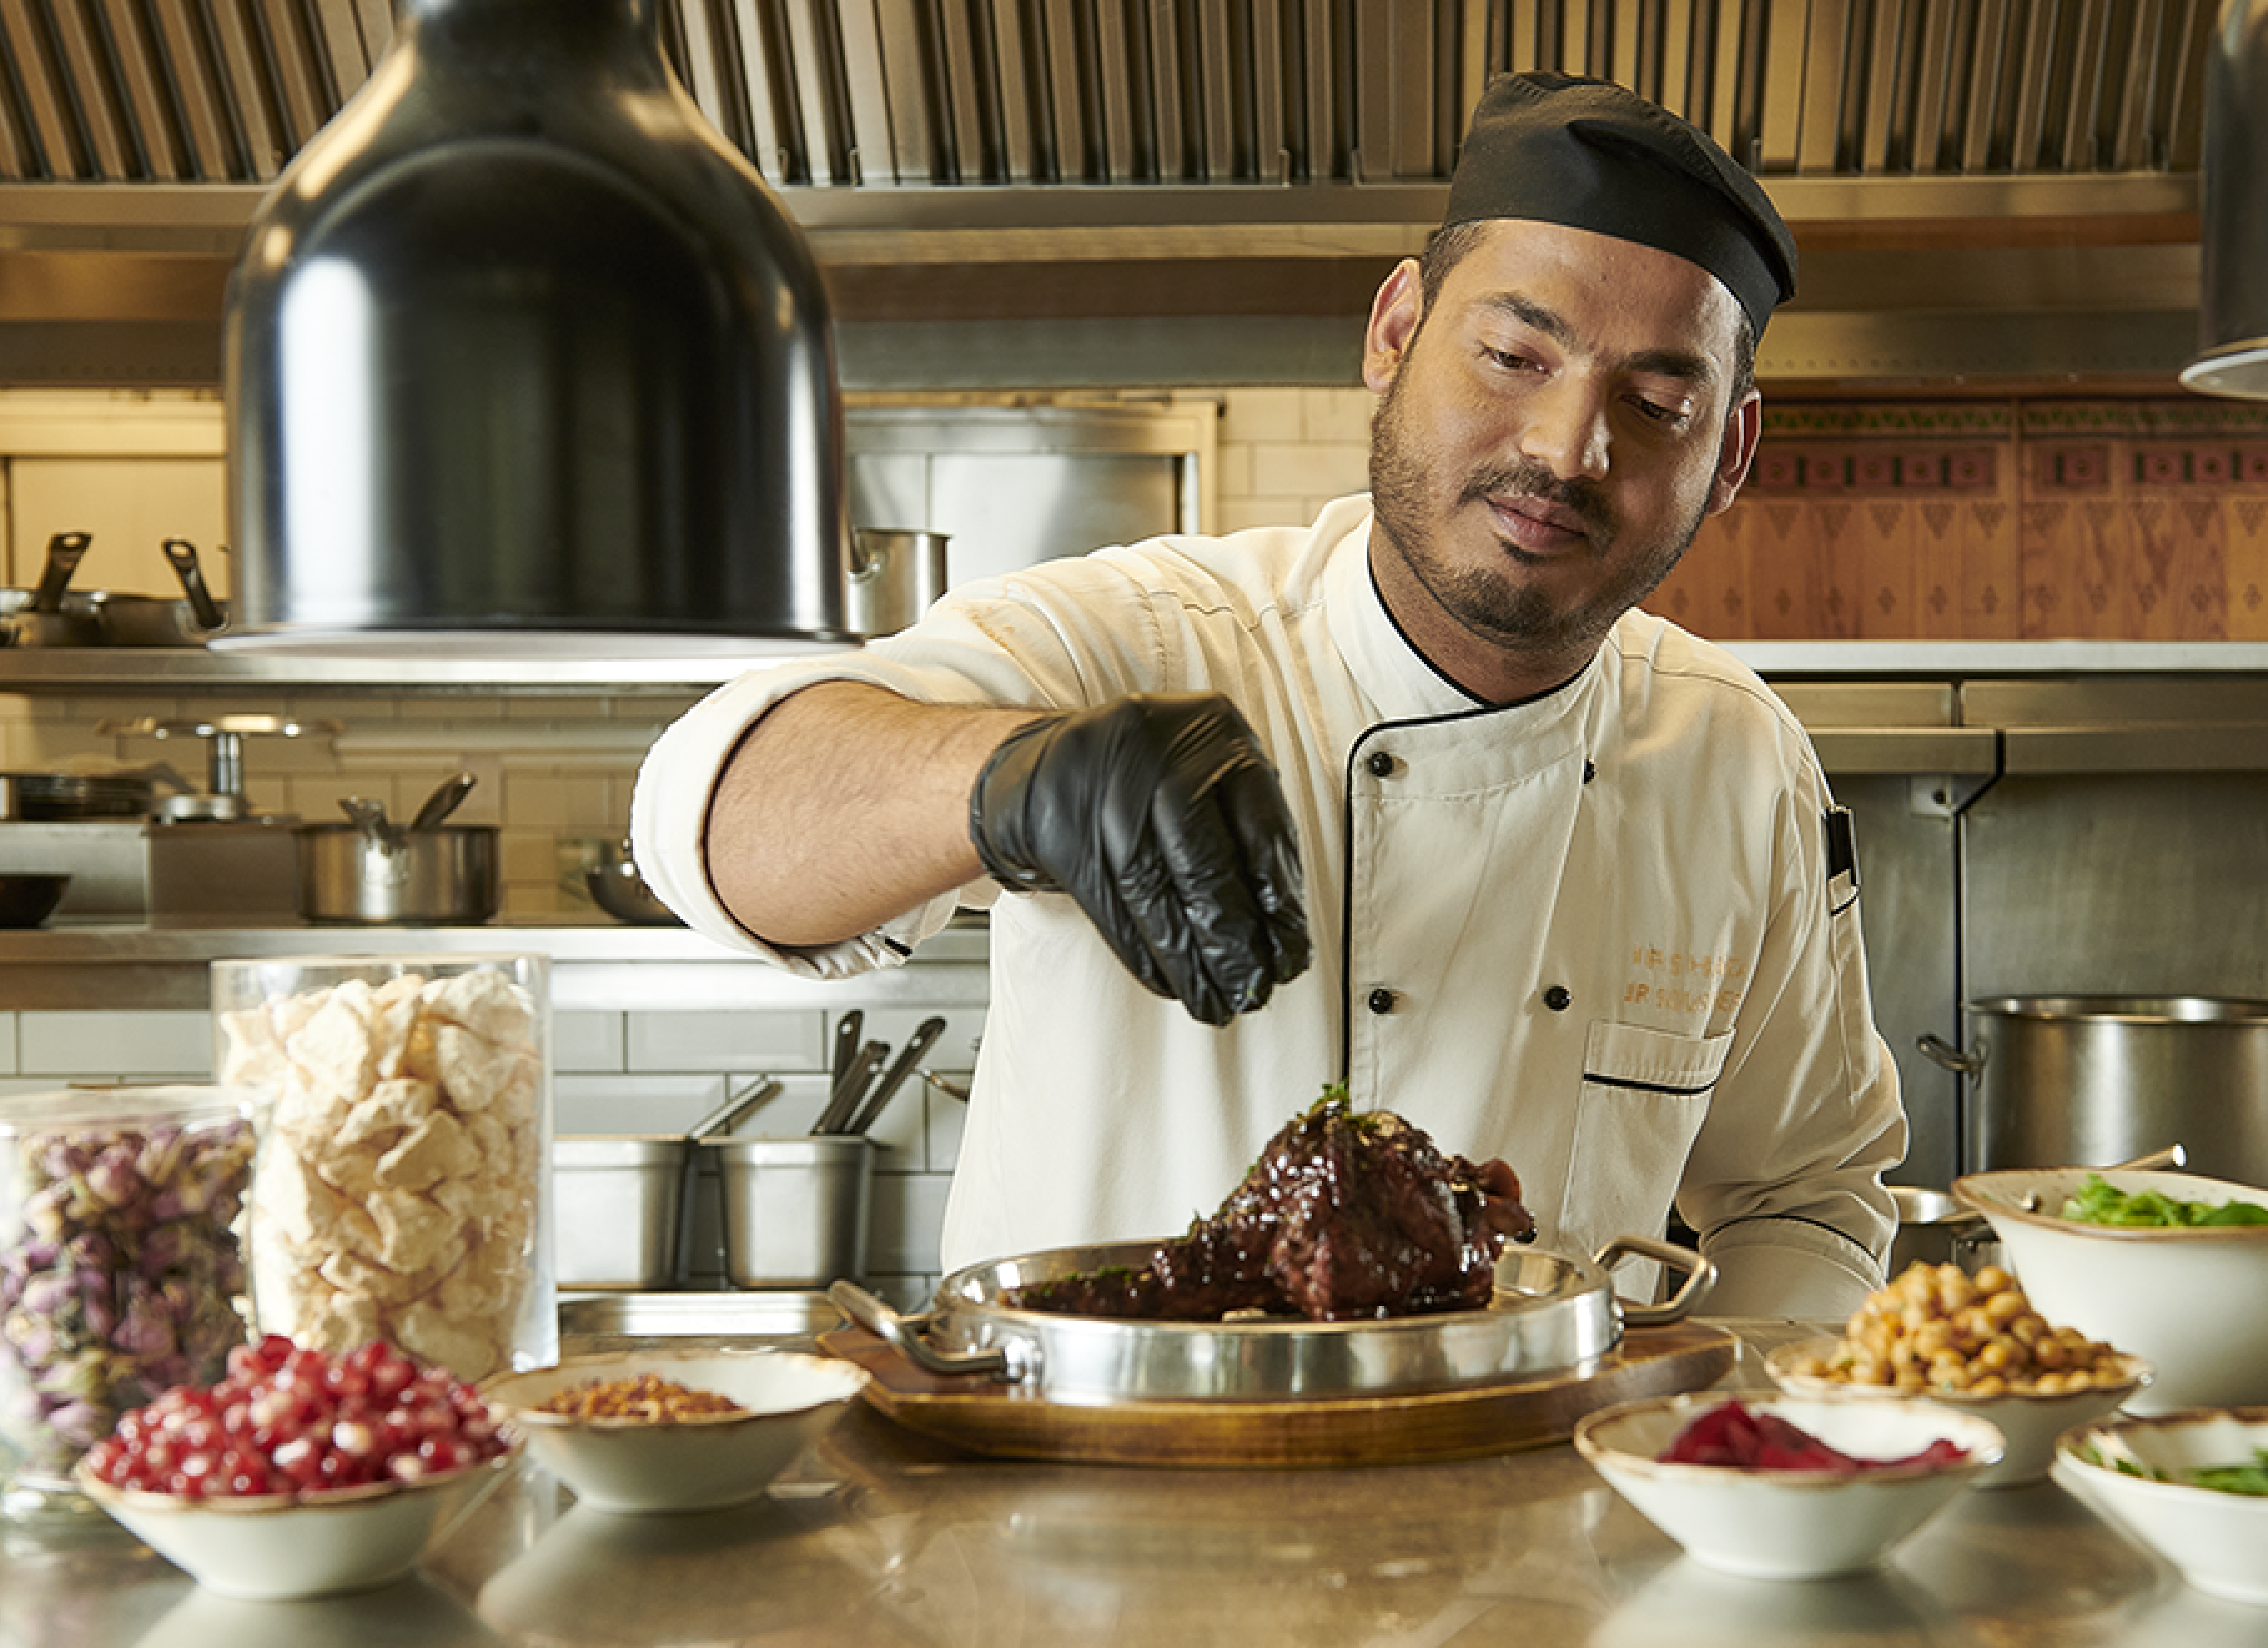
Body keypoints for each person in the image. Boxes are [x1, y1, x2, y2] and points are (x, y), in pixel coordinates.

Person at [634, 71, 1905, 1318]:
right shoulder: (1135, 640)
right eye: (1515, 354)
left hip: (1532, 1507)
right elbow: (711, 827)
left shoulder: (1735, 762)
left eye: (1656, 402)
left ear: (1728, 453)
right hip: (1093, 1492)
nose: (1567, 450)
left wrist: (1728, 1441)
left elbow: (1805, 1199)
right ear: (1394, 334)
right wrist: (1010, 779)